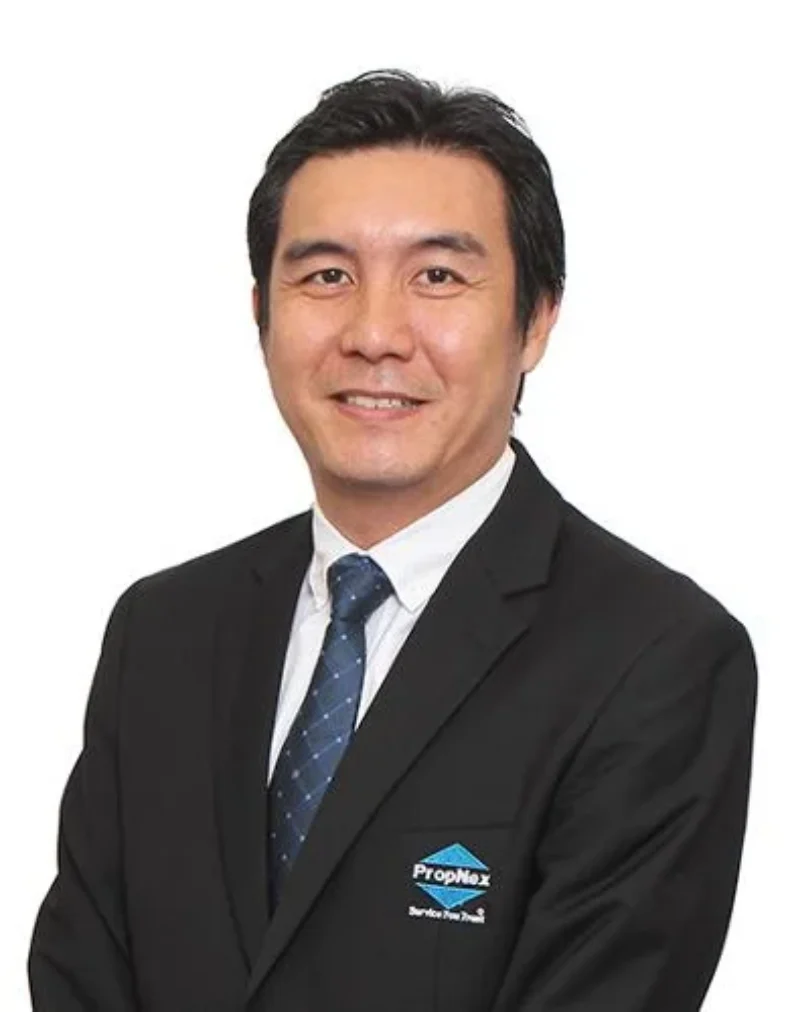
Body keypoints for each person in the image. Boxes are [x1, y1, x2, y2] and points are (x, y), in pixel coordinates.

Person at [28, 69, 758, 1012]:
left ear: (536, 319)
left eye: (438, 276)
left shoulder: (656, 659)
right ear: (260, 313)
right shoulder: (162, 632)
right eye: (326, 276)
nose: (374, 334)